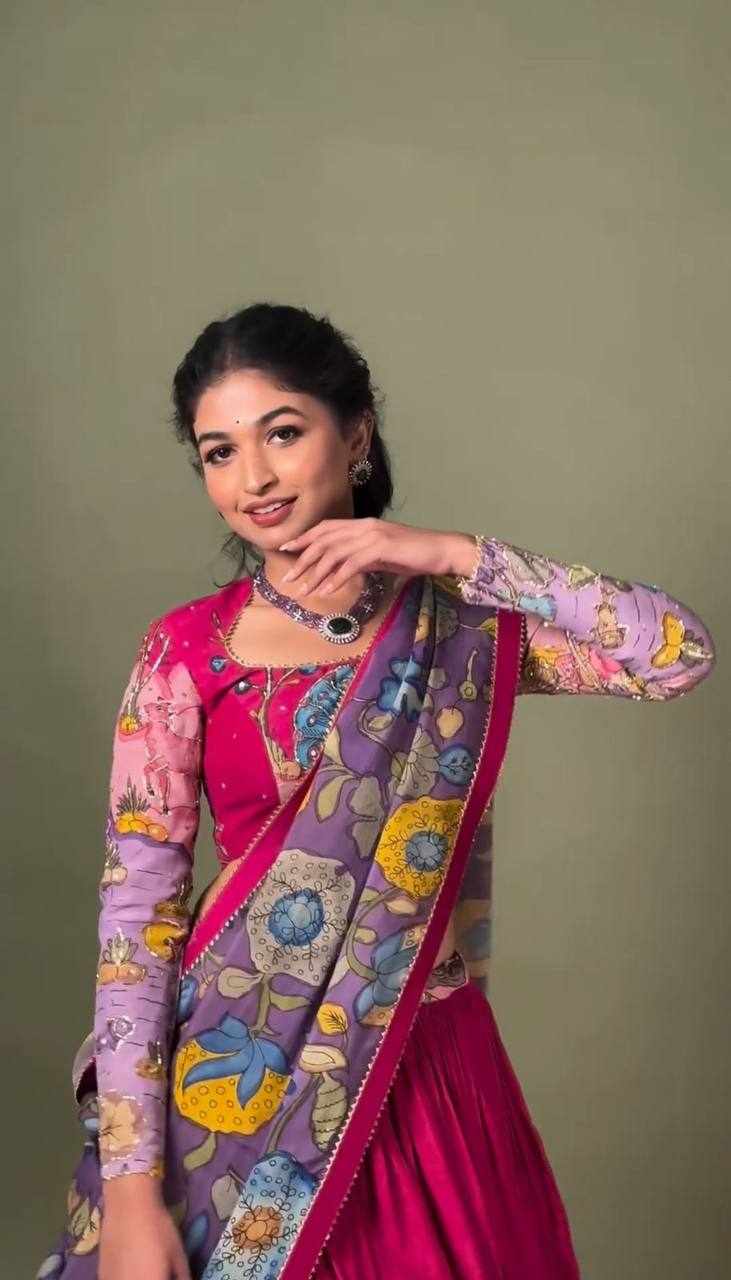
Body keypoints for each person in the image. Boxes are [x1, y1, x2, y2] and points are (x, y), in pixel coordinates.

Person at [37, 302, 716, 1280]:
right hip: (243, 1087)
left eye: (282, 432)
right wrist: (134, 1193)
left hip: (425, 1066)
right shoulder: (187, 652)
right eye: (219, 452)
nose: (253, 477)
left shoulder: (459, 632)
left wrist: (452, 554)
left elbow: (673, 652)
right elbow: (138, 919)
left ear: (355, 436)